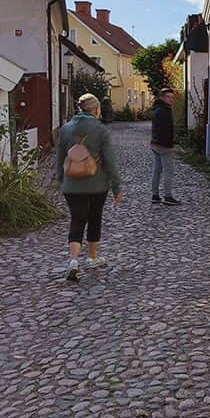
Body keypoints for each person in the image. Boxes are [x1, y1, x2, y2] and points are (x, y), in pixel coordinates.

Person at [56, 93, 123, 281]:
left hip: (71, 185)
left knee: (77, 219)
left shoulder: (66, 128)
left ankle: (73, 261)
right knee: (94, 218)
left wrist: (61, 179)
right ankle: (92, 257)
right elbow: (110, 161)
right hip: (96, 185)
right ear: (96, 110)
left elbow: (60, 156)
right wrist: (116, 187)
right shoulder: (100, 130)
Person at [151, 88, 181, 205]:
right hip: (163, 145)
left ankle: (155, 195)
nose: (171, 99)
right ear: (162, 97)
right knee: (169, 171)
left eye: (172, 97)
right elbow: (166, 130)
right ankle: (167, 196)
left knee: (157, 170)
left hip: (155, 143)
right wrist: (170, 145)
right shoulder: (164, 110)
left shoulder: (156, 109)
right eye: (168, 97)